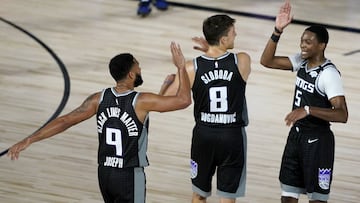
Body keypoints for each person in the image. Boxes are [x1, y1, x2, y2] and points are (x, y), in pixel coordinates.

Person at [7, 42, 191, 203]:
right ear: (130, 75)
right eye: (138, 68)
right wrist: (181, 67)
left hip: (105, 174)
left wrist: (29, 140)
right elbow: (183, 100)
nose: (140, 70)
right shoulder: (142, 101)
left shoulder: (98, 99)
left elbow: (65, 121)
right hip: (129, 174)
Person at [260, 0, 348, 202]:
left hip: (318, 141)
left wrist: (308, 109)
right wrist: (277, 31)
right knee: (288, 196)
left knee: (316, 198)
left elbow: (342, 114)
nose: (303, 45)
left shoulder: (329, 74)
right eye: (302, 41)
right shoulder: (301, 61)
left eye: (308, 42)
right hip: (296, 137)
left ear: (322, 45)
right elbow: (267, 61)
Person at [163, 14, 251, 203]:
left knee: (199, 194)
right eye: (233, 33)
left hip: (204, 135)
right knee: (227, 197)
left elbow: (165, 99)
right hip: (232, 136)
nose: (236, 35)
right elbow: (221, 61)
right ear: (223, 39)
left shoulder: (190, 67)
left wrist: (178, 70)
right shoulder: (242, 61)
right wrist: (211, 49)